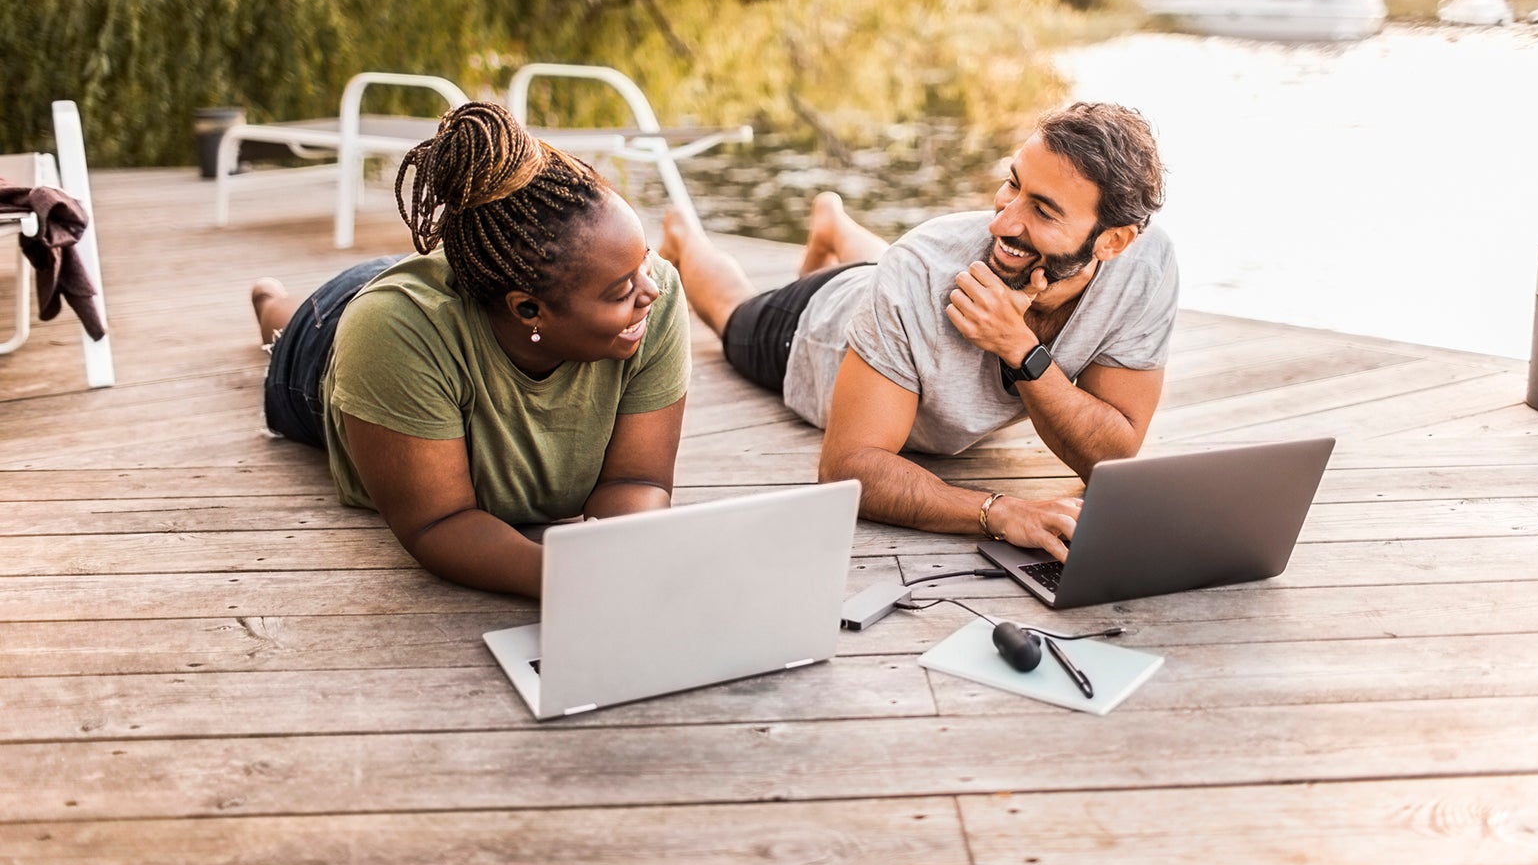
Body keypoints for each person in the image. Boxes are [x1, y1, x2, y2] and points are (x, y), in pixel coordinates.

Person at [659, 101, 1177, 562]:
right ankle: (686, 236)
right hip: (813, 325)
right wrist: (1000, 511)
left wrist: (1018, 347)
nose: (1001, 222)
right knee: (734, 313)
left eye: (1042, 210)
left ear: (1113, 242)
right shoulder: (916, 270)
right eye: (1013, 184)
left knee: (897, 268)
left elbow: (1109, 456)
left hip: (894, 282)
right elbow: (849, 466)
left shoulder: (1146, 266)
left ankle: (834, 224)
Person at [249, 102, 691, 598]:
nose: (649, 290)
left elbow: (638, 478)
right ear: (528, 310)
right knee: (285, 325)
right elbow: (439, 522)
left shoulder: (655, 297)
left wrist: (622, 556)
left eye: (644, 261)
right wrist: (570, 582)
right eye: (620, 291)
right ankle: (267, 298)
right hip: (338, 334)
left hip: (479, 280)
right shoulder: (390, 335)